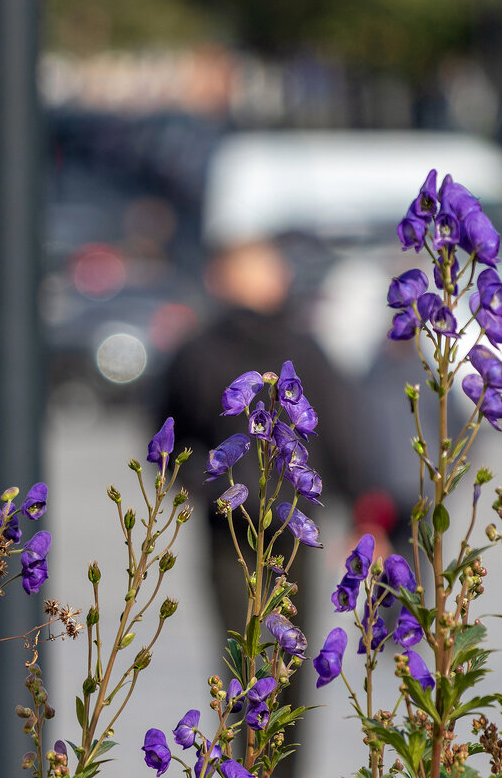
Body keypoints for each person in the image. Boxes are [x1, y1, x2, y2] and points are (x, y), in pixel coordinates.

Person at [157, 234, 401, 776]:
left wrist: (201, 485)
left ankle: (249, 764)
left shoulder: (203, 349)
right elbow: (343, 433)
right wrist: (366, 514)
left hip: (240, 531)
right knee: (278, 658)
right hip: (280, 529)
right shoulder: (295, 348)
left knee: (247, 656)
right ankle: (271, 767)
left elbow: (165, 442)